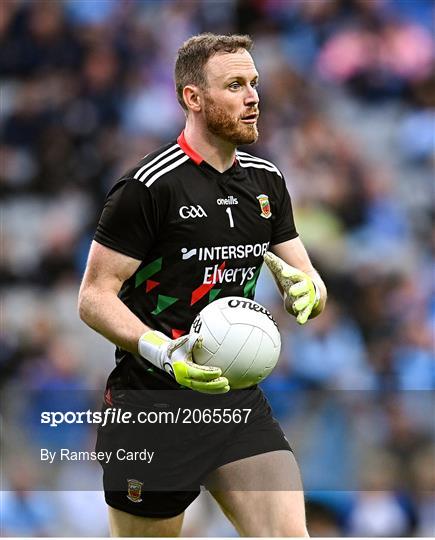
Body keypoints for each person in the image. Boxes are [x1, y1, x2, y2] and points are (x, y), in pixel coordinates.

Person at [78, 33, 327, 537]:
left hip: (236, 400)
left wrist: (311, 293)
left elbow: (308, 279)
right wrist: (165, 352)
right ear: (193, 98)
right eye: (234, 85)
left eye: (254, 83)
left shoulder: (266, 181)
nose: (252, 96)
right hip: (152, 406)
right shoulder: (148, 187)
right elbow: (93, 297)